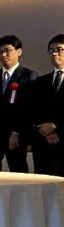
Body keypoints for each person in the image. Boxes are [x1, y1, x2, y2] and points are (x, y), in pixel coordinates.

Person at [0, 34, 37, 172]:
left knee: (18, 170)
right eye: (0, 51)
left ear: (19, 52)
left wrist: (16, 132)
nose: (3, 55)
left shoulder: (29, 75)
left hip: (13, 133)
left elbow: (27, 108)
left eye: (7, 50)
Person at [30, 34, 64, 176]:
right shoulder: (40, 81)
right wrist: (46, 130)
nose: (54, 53)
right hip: (43, 144)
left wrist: (56, 126)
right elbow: (32, 109)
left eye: (59, 49)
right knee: (43, 184)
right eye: (51, 50)